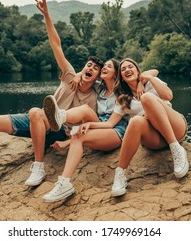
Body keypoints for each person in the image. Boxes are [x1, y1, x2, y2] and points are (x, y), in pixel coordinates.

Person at [0, 0, 103, 186]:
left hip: (59, 132)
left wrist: (67, 143)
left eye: (95, 68)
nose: (90, 68)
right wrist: (47, 16)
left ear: (98, 77)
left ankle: (38, 167)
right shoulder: (69, 74)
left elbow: (88, 126)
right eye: (88, 65)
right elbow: (55, 44)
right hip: (40, 122)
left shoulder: (94, 96)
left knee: (36, 112)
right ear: (83, 68)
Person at [40, 59, 158, 202]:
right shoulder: (99, 88)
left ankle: (61, 116)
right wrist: (77, 75)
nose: (104, 68)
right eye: (104, 66)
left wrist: (140, 82)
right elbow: (86, 76)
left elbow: (153, 71)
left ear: (116, 73)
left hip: (115, 129)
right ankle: (64, 183)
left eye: (109, 66)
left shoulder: (122, 89)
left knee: (84, 113)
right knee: (81, 123)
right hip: (100, 123)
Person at [76, 58, 189, 197]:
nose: (127, 70)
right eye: (123, 69)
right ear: (121, 77)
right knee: (135, 121)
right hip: (155, 140)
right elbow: (110, 124)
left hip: (174, 128)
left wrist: (148, 78)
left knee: (147, 98)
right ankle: (120, 173)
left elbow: (169, 96)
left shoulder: (149, 83)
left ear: (137, 70)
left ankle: (176, 149)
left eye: (130, 67)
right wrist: (89, 124)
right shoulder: (123, 98)